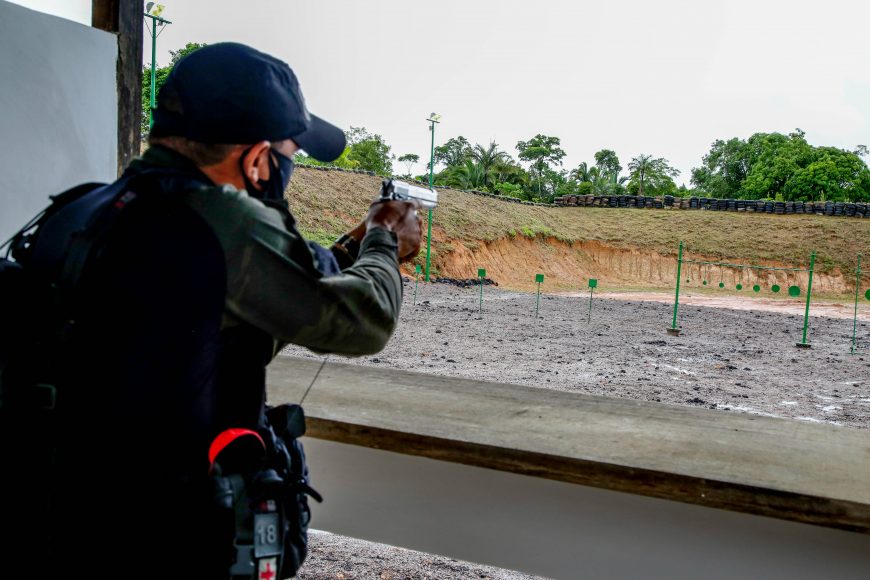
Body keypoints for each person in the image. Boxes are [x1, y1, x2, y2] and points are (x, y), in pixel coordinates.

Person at [30, 42, 422, 578]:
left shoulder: (90, 208)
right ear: (257, 159)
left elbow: (216, 308)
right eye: (287, 154)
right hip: (169, 538)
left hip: (66, 521)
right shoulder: (219, 219)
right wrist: (382, 241)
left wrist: (345, 251)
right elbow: (364, 320)